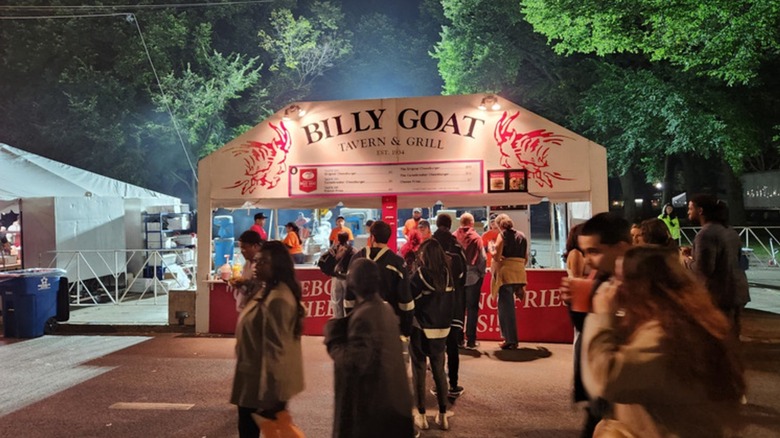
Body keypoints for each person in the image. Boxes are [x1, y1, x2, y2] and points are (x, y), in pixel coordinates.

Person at [582, 245, 745, 437]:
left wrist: (602, 316)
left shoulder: (663, 335)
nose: (614, 287)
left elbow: (608, 381)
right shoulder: (684, 320)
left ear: (641, 286)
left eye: (619, 280)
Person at [324, 258, 415, 438]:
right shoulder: (386, 309)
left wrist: (334, 341)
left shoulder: (364, 316)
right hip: (395, 407)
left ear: (352, 284)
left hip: (375, 415)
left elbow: (353, 363)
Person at [560, 212, 631, 438]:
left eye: (594, 251)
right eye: (584, 252)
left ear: (621, 248)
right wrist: (574, 304)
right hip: (602, 388)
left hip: (624, 392)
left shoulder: (642, 285)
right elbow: (587, 331)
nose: (587, 260)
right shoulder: (601, 278)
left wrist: (604, 315)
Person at [230, 241, 306, 438]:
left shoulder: (278, 298)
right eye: (256, 261)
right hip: (253, 380)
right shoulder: (268, 290)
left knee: (250, 432)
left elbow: (276, 351)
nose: (256, 266)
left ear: (277, 265)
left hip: (260, 385)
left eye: (263, 262)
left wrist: (272, 397)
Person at [684, 194, 750, 335]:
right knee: (732, 336)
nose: (688, 212)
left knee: (715, 338)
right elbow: (730, 258)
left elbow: (703, 270)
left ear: (700, 210)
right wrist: (695, 253)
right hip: (737, 291)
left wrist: (686, 260)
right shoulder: (730, 230)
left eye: (690, 208)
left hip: (719, 295)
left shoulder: (705, 234)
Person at [409, 239, 455, 431]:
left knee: (419, 372)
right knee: (439, 372)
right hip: (442, 330)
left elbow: (408, 301)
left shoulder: (419, 275)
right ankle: (443, 415)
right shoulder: (447, 276)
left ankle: (421, 415)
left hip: (420, 329)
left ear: (425, 255)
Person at [347, 220, 414, 337]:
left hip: (361, 323)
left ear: (372, 237)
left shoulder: (356, 259)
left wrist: (350, 323)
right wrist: (405, 330)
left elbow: (348, 297)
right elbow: (405, 301)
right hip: (388, 324)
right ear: (388, 238)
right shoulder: (397, 263)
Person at [432, 213, 467, 398]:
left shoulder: (429, 246)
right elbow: (463, 277)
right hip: (453, 304)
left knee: (436, 347)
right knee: (452, 346)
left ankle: (438, 384)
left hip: (433, 305)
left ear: (437, 224)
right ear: (450, 224)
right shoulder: (456, 246)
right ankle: (453, 385)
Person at [490, 214, 528, 350]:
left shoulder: (502, 235)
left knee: (506, 308)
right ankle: (511, 339)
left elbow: (497, 256)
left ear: (499, 225)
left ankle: (510, 339)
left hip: (506, 275)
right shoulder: (522, 236)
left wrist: (491, 248)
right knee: (510, 307)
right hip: (519, 273)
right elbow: (526, 258)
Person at [453, 212, 486, 350]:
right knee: (472, 309)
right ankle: (471, 339)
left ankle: (458, 339)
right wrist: (481, 273)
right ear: (472, 223)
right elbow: (482, 258)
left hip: (458, 277)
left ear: (460, 222)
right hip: (473, 276)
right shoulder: (477, 238)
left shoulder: (454, 237)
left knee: (458, 309)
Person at [230, 230, 263, 310]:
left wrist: (244, 283)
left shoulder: (262, 266)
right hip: (244, 308)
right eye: (241, 248)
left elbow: (259, 289)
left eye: (244, 248)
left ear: (255, 246)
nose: (242, 252)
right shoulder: (247, 264)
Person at [330, 231, 356, 319]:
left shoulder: (333, 249)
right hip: (347, 278)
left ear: (338, 238)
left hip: (336, 277)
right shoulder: (352, 250)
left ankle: (338, 320)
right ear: (348, 238)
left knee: (336, 301)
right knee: (347, 301)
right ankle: (346, 320)